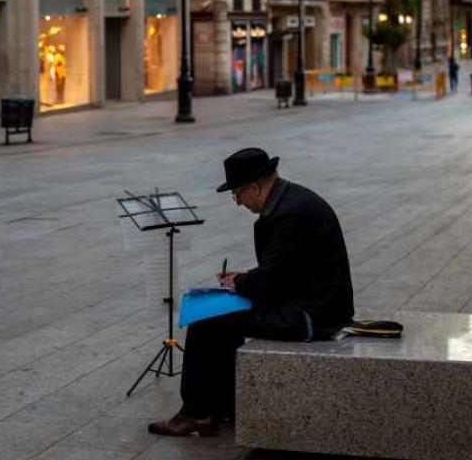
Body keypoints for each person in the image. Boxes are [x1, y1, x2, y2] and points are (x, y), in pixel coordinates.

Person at [148, 148, 354, 437]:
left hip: (313, 315)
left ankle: (196, 413)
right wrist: (244, 280)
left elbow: (271, 281)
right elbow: (283, 270)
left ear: (255, 187)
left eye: (237, 194)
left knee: (207, 319)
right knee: (223, 314)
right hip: (311, 302)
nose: (237, 202)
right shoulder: (290, 201)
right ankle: (222, 405)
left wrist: (241, 283)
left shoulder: (289, 213)